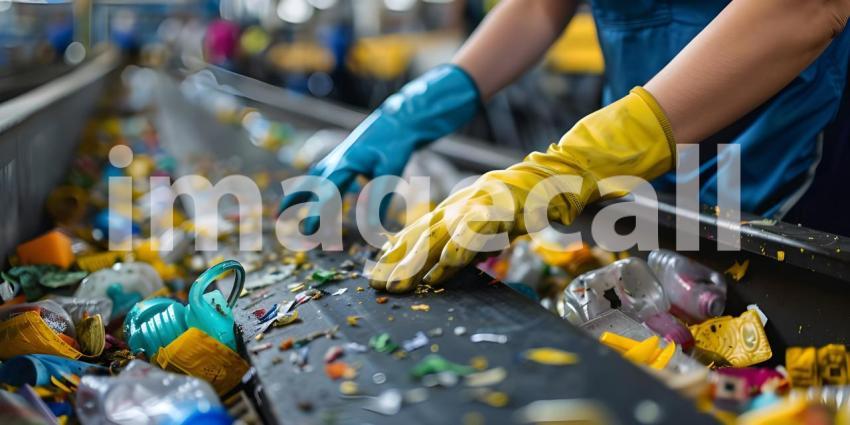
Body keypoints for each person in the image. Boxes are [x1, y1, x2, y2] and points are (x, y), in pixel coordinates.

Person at [279, 0, 850, 293]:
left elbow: (803, 8)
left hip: (789, 147)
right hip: (643, 161)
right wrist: (415, 108)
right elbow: (539, 6)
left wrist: (579, 161)